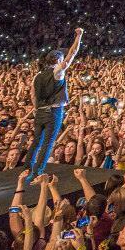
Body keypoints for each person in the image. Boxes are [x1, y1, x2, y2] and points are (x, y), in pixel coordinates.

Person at [26, 27, 82, 182]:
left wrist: (37, 109)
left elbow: (33, 94)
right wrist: (79, 35)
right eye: (61, 59)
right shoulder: (57, 71)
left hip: (40, 112)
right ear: (58, 60)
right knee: (47, 143)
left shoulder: (37, 76)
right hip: (53, 111)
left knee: (36, 141)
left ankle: (26, 170)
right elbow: (73, 53)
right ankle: (37, 173)